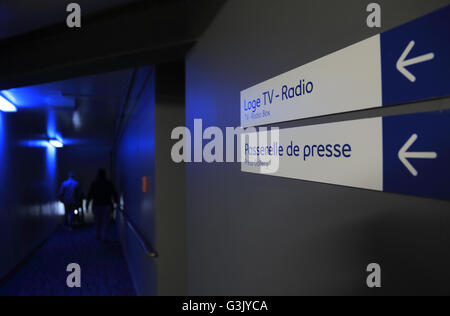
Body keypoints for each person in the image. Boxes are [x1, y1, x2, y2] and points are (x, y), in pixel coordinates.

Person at [87, 169, 118, 242]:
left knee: (98, 221)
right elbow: (114, 193)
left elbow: (90, 194)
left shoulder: (94, 183)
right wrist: (116, 202)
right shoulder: (108, 183)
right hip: (107, 205)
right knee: (106, 222)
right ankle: (105, 236)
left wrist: (87, 204)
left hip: (97, 205)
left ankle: (98, 235)